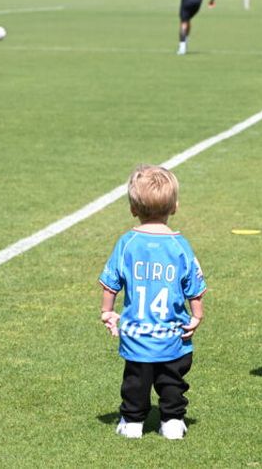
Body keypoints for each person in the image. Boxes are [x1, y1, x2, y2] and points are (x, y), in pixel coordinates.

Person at [99, 165, 207, 440]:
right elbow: (193, 286)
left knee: (136, 379)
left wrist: (107, 311)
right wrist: (196, 316)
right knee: (172, 379)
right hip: (172, 334)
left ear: (133, 209)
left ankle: (133, 422)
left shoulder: (127, 243)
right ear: (175, 207)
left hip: (137, 334)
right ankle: (172, 420)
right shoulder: (180, 245)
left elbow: (111, 281)